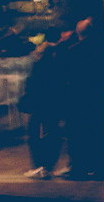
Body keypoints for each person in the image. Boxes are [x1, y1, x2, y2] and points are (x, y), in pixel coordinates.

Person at [59, 17, 104, 181]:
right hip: (97, 97)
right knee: (99, 131)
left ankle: (80, 167)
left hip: (78, 98)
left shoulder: (73, 51)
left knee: (78, 133)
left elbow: (66, 76)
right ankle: (101, 167)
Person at [19, 28, 73, 179]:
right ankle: (49, 165)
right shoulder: (61, 58)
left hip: (40, 102)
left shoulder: (41, 62)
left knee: (35, 134)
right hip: (56, 101)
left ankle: (40, 166)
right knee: (53, 133)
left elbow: (33, 83)